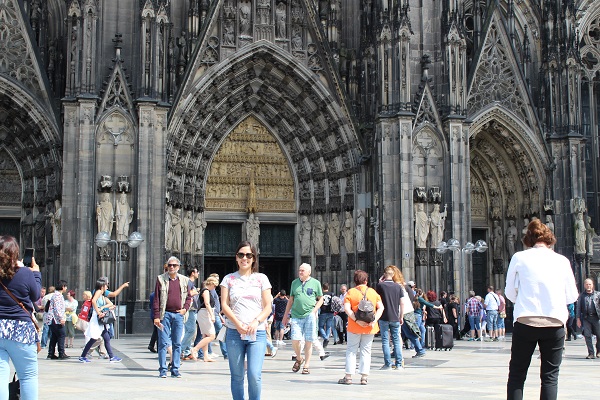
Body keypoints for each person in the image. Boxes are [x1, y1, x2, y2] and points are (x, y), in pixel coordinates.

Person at [505, 219, 578, 400]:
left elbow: (509, 292)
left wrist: (523, 302)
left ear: (528, 239)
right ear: (550, 239)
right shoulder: (562, 261)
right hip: (554, 322)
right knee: (550, 378)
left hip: (526, 321)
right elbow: (572, 296)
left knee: (517, 375)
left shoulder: (519, 257)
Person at [221, 241, 273, 400]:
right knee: (237, 376)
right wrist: (237, 324)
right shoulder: (228, 279)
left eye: (248, 255)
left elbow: (268, 307)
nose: (245, 258)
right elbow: (224, 305)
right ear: (236, 258)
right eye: (241, 255)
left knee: (254, 374)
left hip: (257, 333)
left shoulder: (261, 278)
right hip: (234, 333)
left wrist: (256, 322)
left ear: (254, 258)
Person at [0, 235, 42, 400]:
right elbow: (36, 295)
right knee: (28, 376)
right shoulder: (25, 273)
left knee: (1, 378)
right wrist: (36, 274)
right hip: (20, 331)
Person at [337, 270, 384, 385]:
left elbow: (347, 309)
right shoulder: (373, 292)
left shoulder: (351, 292)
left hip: (354, 326)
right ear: (366, 280)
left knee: (351, 350)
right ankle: (364, 377)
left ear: (355, 281)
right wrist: (374, 320)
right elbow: (381, 308)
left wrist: (357, 320)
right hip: (370, 327)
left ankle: (348, 377)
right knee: (366, 351)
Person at [152, 256, 192, 378]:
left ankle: (175, 369)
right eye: (170, 265)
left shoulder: (185, 280)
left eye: (174, 265)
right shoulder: (160, 279)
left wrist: (185, 309)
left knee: (177, 343)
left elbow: (189, 297)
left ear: (178, 267)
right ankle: (163, 370)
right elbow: (157, 299)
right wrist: (157, 316)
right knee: (163, 343)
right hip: (165, 315)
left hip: (178, 315)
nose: (172, 267)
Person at [282, 263, 323, 374]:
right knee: (295, 339)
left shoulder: (315, 283)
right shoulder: (294, 283)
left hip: (309, 315)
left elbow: (321, 299)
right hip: (296, 315)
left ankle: (306, 365)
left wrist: (314, 311)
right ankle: (299, 358)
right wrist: (285, 316)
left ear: (309, 272)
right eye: (299, 270)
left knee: (308, 341)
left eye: (302, 270)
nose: (300, 272)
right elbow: (291, 299)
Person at [78, 279, 121, 363]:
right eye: (106, 285)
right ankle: (83, 356)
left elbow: (109, 302)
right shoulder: (98, 291)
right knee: (95, 338)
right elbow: (93, 301)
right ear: (102, 286)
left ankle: (111, 356)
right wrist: (98, 312)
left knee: (105, 338)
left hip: (100, 318)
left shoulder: (102, 294)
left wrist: (103, 309)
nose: (107, 287)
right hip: (97, 318)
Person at [376, 265, 404, 370]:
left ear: (384, 274)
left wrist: (380, 282)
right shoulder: (398, 286)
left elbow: (376, 300)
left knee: (385, 340)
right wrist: (401, 316)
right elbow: (402, 303)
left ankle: (387, 364)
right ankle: (399, 364)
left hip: (383, 316)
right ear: (393, 275)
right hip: (395, 317)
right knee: (396, 340)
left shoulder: (380, 286)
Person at [190, 277, 218, 361]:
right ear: (211, 284)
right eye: (215, 285)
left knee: (205, 335)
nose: (215, 287)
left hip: (203, 313)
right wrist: (212, 315)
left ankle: (206, 356)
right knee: (212, 336)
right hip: (205, 313)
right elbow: (207, 303)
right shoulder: (206, 291)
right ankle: (195, 349)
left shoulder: (205, 290)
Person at [45, 279, 70, 359]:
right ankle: (61, 353)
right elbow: (57, 308)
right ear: (63, 287)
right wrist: (61, 318)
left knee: (54, 336)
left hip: (52, 319)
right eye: (65, 287)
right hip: (55, 319)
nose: (66, 289)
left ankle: (51, 353)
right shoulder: (58, 296)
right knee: (62, 334)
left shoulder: (55, 295)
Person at [576, 278, 600, 359]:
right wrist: (578, 318)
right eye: (587, 284)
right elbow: (578, 307)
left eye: (590, 284)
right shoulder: (582, 296)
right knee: (587, 336)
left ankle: (599, 351)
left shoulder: (598, 294)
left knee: (599, 335)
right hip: (586, 318)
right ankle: (591, 353)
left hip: (597, 317)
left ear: (592, 285)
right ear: (584, 285)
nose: (588, 286)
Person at [181, 266, 200, 360]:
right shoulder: (188, 282)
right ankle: (180, 349)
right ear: (193, 273)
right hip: (190, 309)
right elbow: (187, 294)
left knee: (190, 330)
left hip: (192, 309)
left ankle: (187, 352)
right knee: (191, 330)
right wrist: (195, 292)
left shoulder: (190, 282)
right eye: (197, 272)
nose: (198, 273)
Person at [318, 283, 334, 348]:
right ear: (328, 287)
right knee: (328, 326)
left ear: (322, 288)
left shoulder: (321, 294)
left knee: (320, 326)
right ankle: (327, 337)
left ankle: (325, 338)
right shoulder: (332, 294)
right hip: (330, 312)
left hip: (323, 312)